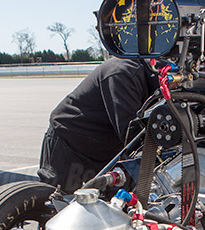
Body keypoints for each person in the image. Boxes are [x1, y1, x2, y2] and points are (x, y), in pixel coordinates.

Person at [37, 57, 158, 193]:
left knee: (112, 208)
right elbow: (133, 134)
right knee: (59, 204)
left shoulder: (154, 81)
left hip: (105, 151)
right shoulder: (121, 72)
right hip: (71, 145)